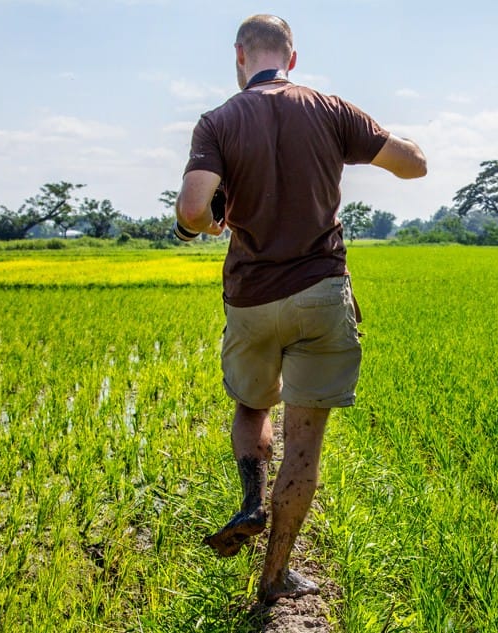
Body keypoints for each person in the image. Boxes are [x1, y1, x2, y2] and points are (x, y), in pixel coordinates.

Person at [174, 14, 426, 605]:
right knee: (305, 441)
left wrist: (212, 221)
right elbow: (413, 164)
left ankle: (249, 500)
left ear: (240, 56)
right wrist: (380, 145)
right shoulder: (331, 109)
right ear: (291, 57)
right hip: (320, 293)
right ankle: (275, 575)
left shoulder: (218, 121)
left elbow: (191, 210)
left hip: (252, 299)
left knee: (250, 404)